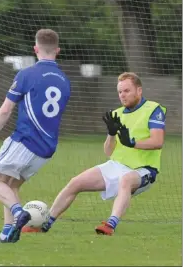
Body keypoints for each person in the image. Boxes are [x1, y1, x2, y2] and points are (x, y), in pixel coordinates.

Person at [0, 29, 71, 243]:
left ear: (35, 49)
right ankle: (7, 232)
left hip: (25, 141)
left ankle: (19, 213)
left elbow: (6, 110)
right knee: (11, 186)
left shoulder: (27, 74)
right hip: (46, 149)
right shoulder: (64, 81)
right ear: (58, 50)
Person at [40, 72, 166, 235]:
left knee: (126, 180)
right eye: (120, 92)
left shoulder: (154, 109)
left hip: (144, 170)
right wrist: (111, 133)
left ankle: (110, 225)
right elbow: (108, 151)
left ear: (139, 90)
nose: (122, 95)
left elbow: (158, 142)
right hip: (117, 165)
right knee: (75, 183)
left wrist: (133, 143)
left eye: (127, 91)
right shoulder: (117, 114)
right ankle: (45, 224)